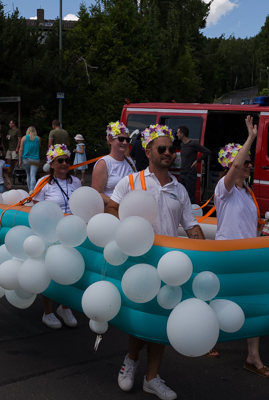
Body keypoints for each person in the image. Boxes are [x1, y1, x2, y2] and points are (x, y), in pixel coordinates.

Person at [106, 124, 205, 400]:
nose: (168, 153)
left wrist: (205, 252)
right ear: (148, 152)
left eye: (172, 149)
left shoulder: (179, 189)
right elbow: (111, 208)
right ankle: (131, 361)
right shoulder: (131, 182)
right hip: (139, 262)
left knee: (161, 321)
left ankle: (152, 378)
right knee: (142, 320)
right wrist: (123, 231)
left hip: (170, 264)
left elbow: (191, 226)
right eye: (162, 149)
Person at [213, 116, 269, 378]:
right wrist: (251, 137)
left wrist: (265, 229)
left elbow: (248, 226)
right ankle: (208, 338)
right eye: (245, 162)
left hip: (249, 255)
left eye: (250, 162)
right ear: (231, 165)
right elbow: (236, 164)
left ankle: (252, 357)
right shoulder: (223, 189)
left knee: (253, 304)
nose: (249, 166)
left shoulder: (248, 192)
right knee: (221, 300)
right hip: (228, 255)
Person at [32, 144, 80, 329]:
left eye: (67, 160)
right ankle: (48, 312)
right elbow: (37, 211)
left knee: (71, 270)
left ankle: (65, 307)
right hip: (51, 234)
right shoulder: (44, 182)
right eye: (60, 160)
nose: (64, 163)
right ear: (51, 164)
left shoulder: (75, 182)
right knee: (51, 272)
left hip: (72, 232)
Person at [92, 121, 136, 206]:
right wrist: (119, 205)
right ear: (110, 140)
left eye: (127, 140)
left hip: (130, 209)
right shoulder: (103, 164)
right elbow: (97, 193)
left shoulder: (130, 161)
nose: (125, 142)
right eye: (121, 139)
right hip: (112, 210)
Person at [176, 126, 211, 204]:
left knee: (191, 197)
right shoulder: (182, 145)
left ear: (182, 134)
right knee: (182, 196)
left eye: (178, 133)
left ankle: (193, 211)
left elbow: (207, 152)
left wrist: (197, 161)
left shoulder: (193, 144)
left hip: (190, 175)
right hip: (182, 174)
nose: (176, 135)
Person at [18, 126, 41, 191]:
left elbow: (21, 149)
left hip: (26, 158)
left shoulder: (24, 138)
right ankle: (32, 190)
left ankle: (29, 190)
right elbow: (39, 147)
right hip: (35, 158)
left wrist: (19, 160)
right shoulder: (38, 138)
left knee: (28, 174)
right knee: (33, 175)